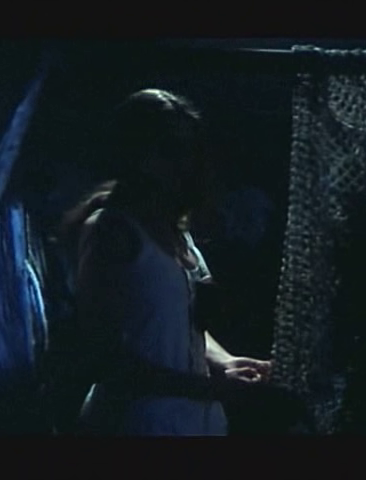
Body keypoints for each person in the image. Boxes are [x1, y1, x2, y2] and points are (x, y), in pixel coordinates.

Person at [60, 89, 271, 435]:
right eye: (171, 149)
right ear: (136, 155)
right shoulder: (112, 233)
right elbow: (105, 360)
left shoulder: (178, 233)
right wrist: (208, 388)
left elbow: (179, 329)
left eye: (190, 150)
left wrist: (226, 362)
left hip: (196, 425)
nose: (185, 163)